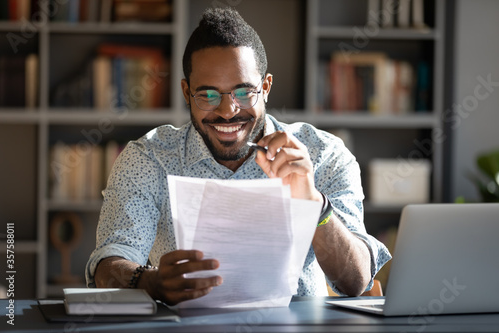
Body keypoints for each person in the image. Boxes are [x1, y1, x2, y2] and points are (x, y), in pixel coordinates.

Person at [86, 7, 391, 306]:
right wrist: (151, 282)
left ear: (266, 87)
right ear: (186, 92)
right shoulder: (149, 159)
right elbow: (107, 266)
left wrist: (313, 203)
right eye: (207, 95)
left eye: (244, 92)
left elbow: (356, 281)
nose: (227, 111)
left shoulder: (323, 154)